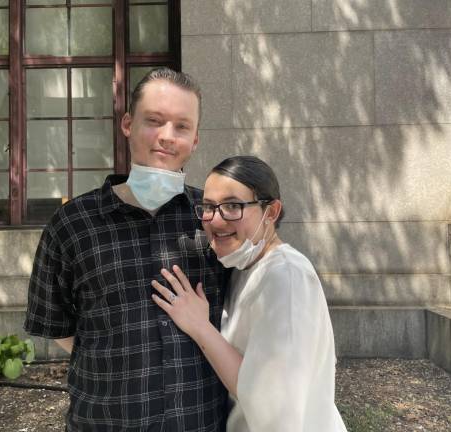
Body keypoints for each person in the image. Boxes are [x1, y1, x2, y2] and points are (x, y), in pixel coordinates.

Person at [24, 68, 228, 431]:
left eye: (182, 126)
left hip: (200, 421)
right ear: (128, 124)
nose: (167, 136)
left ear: (195, 139)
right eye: (154, 120)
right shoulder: (72, 224)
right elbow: (56, 325)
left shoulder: (216, 220)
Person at [151, 156, 348, 432]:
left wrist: (199, 327)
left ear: (271, 212)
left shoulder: (286, 275)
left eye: (233, 206)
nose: (215, 220)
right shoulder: (243, 267)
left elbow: (271, 401)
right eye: (208, 207)